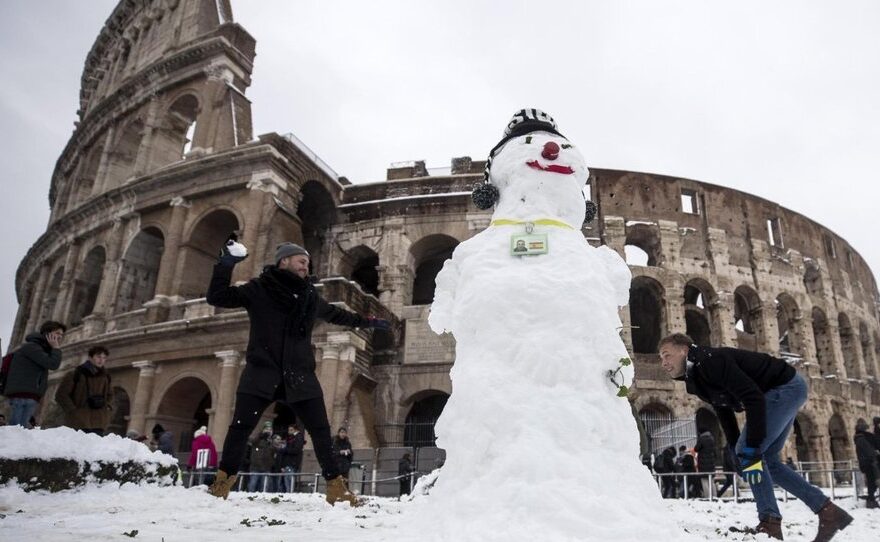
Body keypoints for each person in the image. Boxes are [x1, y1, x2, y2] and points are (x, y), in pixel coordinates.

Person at [204, 238, 389, 505]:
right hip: (262, 371)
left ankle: (336, 488)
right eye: (301, 261)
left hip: (299, 374)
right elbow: (217, 297)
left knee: (321, 430)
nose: (306, 266)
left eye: (307, 263)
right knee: (240, 428)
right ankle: (222, 483)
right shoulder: (259, 289)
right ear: (284, 261)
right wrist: (225, 265)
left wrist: (367, 321)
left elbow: (337, 315)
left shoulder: (308, 296)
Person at [659, 333, 853, 541]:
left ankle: (770, 522)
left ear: (684, 350)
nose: (663, 363)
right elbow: (722, 409)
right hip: (789, 388)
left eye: (667, 355)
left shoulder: (710, 361)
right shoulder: (696, 376)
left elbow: (753, 397)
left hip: (784, 388)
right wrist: (734, 447)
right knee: (768, 460)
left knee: (751, 453)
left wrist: (748, 447)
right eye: (661, 358)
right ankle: (828, 512)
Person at [3, 321, 65, 427]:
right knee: (16, 428)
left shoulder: (41, 348)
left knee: (20, 428)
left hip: (30, 393)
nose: (59, 337)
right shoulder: (32, 347)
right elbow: (52, 364)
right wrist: (56, 348)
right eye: (57, 333)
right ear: (47, 333)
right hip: (22, 393)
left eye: (61, 335)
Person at [54, 345, 114, 435]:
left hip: (99, 421)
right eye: (98, 357)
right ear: (90, 357)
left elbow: (110, 394)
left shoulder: (106, 376)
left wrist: (107, 407)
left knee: (94, 448)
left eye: (104, 358)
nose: (101, 360)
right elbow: (61, 395)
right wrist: (73, 411)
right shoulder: (75, 374)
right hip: (78, 421)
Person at [854, 418, 879, 509]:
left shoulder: (863, 437)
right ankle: (871, 501)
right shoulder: (861, 438)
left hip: (868, 463)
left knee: (872, 481)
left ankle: (871, 499)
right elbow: (869, 451)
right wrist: (875, 453)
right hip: (869, 463)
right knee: (872, 481)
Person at [275, 424, 305, 493]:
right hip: (289, 462)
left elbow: (296, 449)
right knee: (286, 482)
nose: (289, 431)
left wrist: (284, 449)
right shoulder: (293, 437)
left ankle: (290, 494)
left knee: (288, 482)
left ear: (295, 430)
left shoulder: (298, 437)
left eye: (290, 430)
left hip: (291, 462)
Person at [246, 424, 275, 492]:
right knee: (252, 485)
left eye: (270, 430)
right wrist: (261, 435)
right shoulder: (258, 439)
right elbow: (252, 441)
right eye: (267, 429)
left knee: (264, 486)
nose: (268, 431)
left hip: (266, 468)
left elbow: (274, 452)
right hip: (255, 467)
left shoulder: (271, 442)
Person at [694, 428, 716, 498]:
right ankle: (714, 496)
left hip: (703, 463)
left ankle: (707, 496)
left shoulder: (701, 439)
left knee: (704, 480)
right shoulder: (712, 438)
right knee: (711, 480)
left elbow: (696, 449)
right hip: (711, 463)